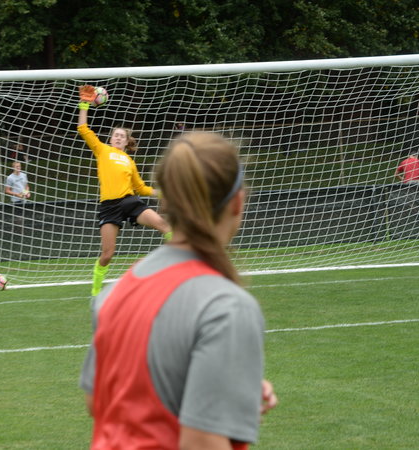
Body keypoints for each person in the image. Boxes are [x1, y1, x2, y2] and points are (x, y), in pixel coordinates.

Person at [79, 131, 277, 449]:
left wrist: (225, 382)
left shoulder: (115, 292)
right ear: (238, 202)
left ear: (166, 201)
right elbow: (201, 442)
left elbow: (97, 401)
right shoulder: (226, 306)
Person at [77, 85, 172, 296]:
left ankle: (176, 264)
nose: (118, 138)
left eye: (122, 136)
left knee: (164, 225)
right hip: (109, 206)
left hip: (130, 202)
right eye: (115, 135)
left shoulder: (129, 161)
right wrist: (84, 105)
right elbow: (83, 129)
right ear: (111, 139)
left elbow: (141, 188)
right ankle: (96, 289)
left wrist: (162, 193)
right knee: (107, 254)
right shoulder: (103, 150)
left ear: (127, 141)